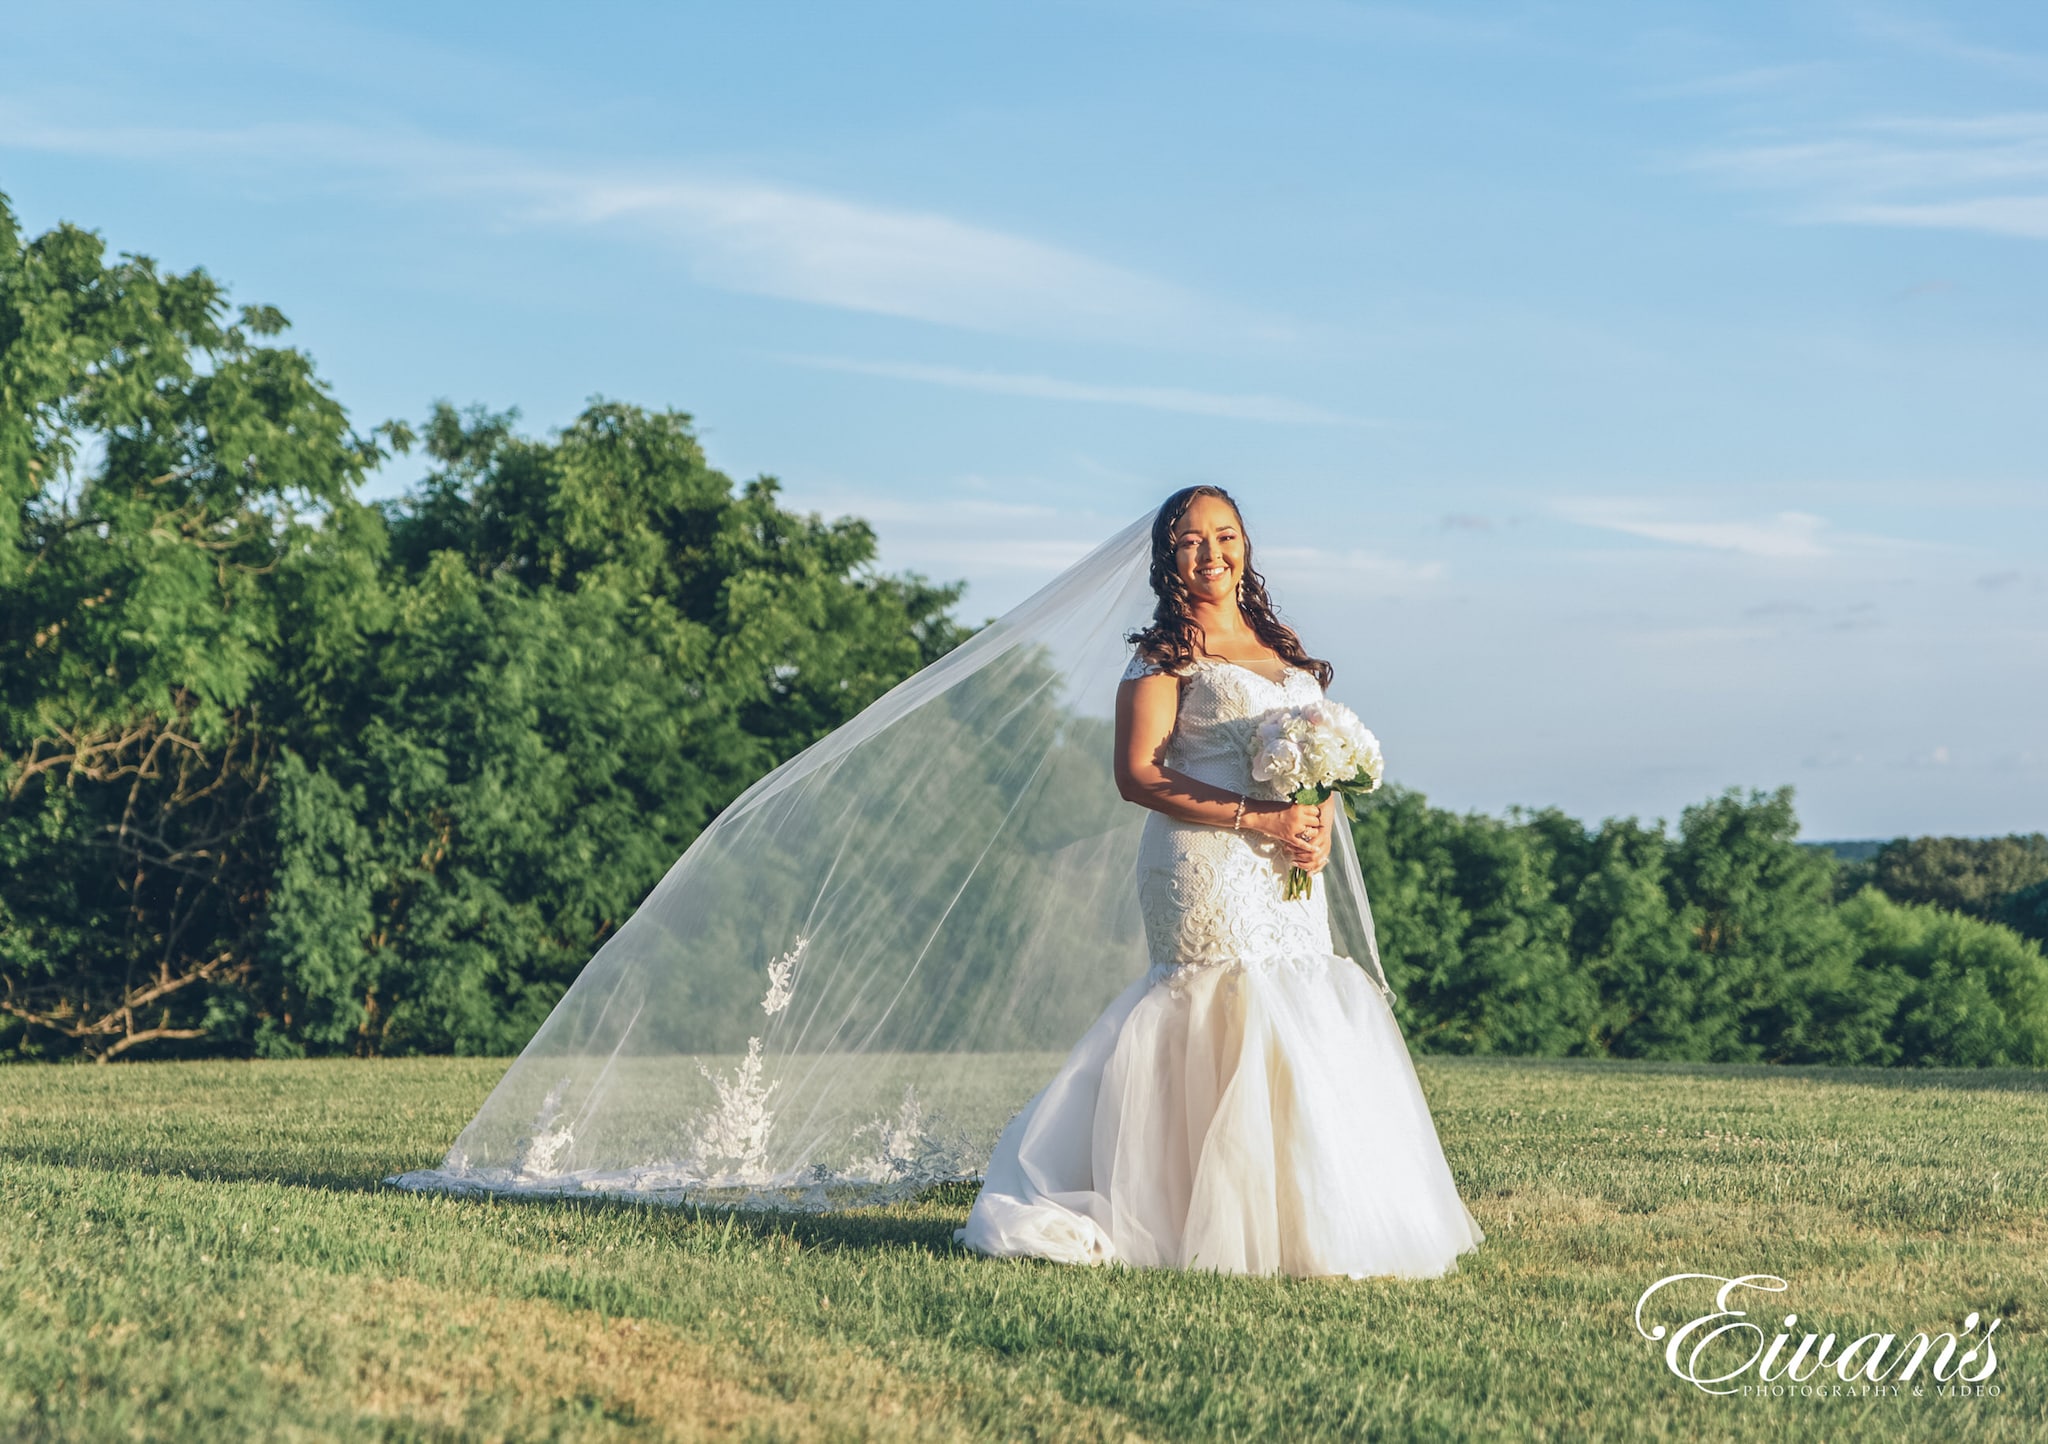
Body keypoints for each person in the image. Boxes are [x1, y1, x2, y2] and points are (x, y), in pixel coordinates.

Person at [955, 486, 1487, 1279]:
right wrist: (1256, 819)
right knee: (1216, 1007)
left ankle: (1309, 1221)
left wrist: (1314, 828)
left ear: (1246, 544)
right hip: (1201, 862)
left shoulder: (1283, 643)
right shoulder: (1165, 655)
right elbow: (1136, 775)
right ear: (1169, 559)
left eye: (1226, 536)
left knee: (1298, 1005)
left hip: (1282, 867)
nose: (1212, 555)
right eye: (1192, 542)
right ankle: (1174, 1213)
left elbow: (1320, 753)